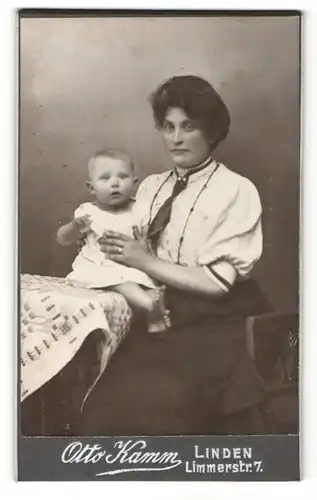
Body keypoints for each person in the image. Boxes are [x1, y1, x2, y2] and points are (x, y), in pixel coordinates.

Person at [79, 75, 272, 436]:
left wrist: (143, 261)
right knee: (103, 404)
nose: (176, 138)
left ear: (211, 132)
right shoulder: (150, 186)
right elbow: (122, 249)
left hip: (213, 325)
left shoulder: (235, 190)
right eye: (168, 127)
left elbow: (217, 283)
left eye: (188, 127)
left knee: (161, 405)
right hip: (155, 318)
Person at [56, 148, 168, 332]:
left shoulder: (140, 210)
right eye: (105, 178)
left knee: (144, 280)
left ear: (134, 182)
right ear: (91, 187)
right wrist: (74, 227)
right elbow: (63, 239)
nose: (115, 183)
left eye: (122, 177)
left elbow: (148, 239)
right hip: (98, 266)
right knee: (119, 280)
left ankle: (156, 320)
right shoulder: (88, 213)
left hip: (132, 265)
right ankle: (151, 305)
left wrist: (144, 249)